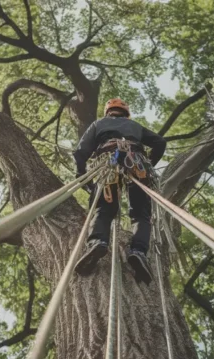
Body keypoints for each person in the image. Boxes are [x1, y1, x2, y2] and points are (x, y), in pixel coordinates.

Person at [73, 98, 166, 284]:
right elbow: (160, 142)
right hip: (138, 164)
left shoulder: (99, 124)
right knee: (141, 215)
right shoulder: (134, 125)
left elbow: (81, 150)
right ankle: (139, 252)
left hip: (108, 163)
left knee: (103, 209)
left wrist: (81, 174)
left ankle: (97, 242)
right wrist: (149, 167)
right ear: (126, 113)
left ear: (108, 112)